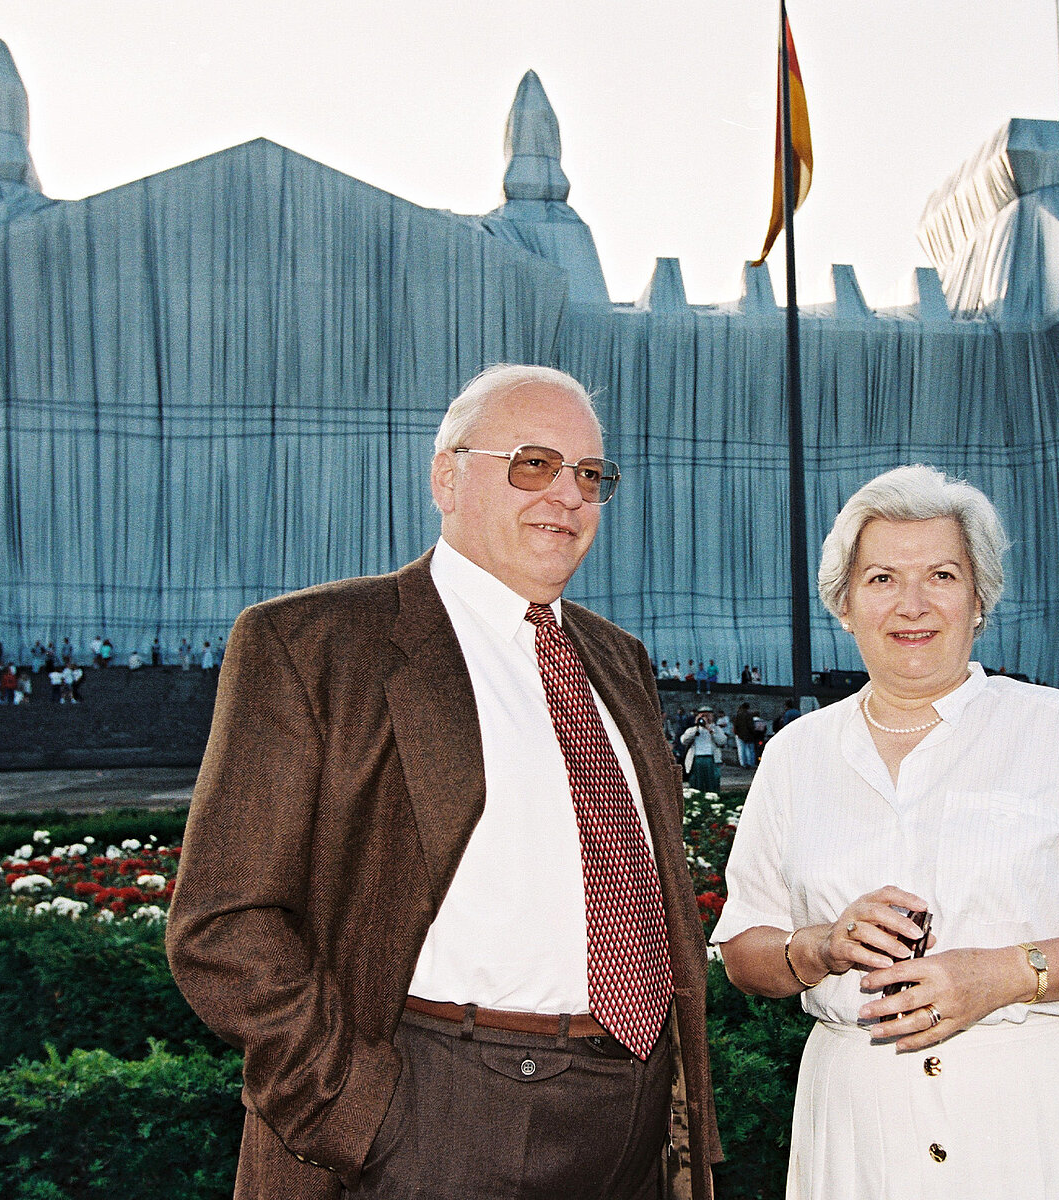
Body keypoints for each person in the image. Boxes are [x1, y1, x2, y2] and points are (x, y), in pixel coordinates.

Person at [166, 364, 719, 1200]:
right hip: (437, 1119)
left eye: (590, 476)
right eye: (532, 463)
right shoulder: (314, 644)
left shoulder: (619, 662)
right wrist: (360, 1112)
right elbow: (223, 921)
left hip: (631, 1120)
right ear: (445, 477)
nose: (567, 495)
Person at [713, 465, 1059, 1198]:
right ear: (843, 604)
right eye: (880, 578)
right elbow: (746, 952)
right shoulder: (795, 755)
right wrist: (820, 946)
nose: (912, 603)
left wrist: (999, 974)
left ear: (980, 597)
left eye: (941, 573)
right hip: (858, 1123)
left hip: (1041, 1118)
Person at [680, 707, 726, 792]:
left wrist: (710, 729)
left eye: (708, 715)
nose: (706, 717)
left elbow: (722, 741)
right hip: (696, 759)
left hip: (711, 759)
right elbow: (684, 740)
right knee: (696, 783)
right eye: (703, 715)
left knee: (712, 783)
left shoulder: (716, 729)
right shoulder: (692, 730)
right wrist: (696, 726)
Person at [734, 701, 759, 769]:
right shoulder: (749, 715)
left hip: (739, 734)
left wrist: (736, 732)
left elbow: (736, 725)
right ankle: (750, 763)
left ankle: (742, 764)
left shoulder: (738, 715)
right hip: (748, 735)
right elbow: (751, 726)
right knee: (749, 750)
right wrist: (752, 732)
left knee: (741, 750)